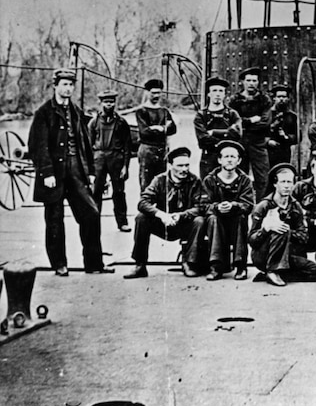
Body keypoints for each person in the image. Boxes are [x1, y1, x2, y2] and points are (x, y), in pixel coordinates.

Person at [28, 69, 112, 276]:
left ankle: (94, 264)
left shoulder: (75, 111)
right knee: (55, 219)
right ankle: (59, 264)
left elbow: (85, 143)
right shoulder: (44, 113)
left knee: (91, 213)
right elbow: (38, 146)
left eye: (71, 85)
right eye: (64, 84)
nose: (68, 88)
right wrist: (47, 173)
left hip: (76, 170)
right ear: (55, 86)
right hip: (54, 173)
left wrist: (90, 171)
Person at [123, 147, 206, 279]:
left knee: (199, 221)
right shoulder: (159, 180)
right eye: (180, 165)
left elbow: (201, 206)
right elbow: (143, 202)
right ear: (170, 165)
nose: (184, 169)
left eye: (187, 165)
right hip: (163, 223)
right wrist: (161, 215)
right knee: (141, 218)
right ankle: (140, 264)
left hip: (184, 224)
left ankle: (189, 263)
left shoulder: (195, 181)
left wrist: (181, 215)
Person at [248, 163, 316, 286]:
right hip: (264, 255)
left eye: (289, 182)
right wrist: (266, 229)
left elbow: (303, 237)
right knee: (279, 228)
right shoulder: (263, 206)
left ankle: (277, 274)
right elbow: (252, 240)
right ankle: (272, 270)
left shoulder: (295, 206)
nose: (287, 186)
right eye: (283, 182)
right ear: (275, 184)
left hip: (287, 254)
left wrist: (289, 232)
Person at [201, 140, 255, 281]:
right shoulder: (209, 180)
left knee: (241, 218)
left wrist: (234, 206)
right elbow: (203, 205)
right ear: (219, 160)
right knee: (213, 219)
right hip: (216, 222)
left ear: (239, 160)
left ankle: (240, 266)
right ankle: (216, 267)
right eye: (226, 156)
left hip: (235, 220)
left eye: (233, 157)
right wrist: (216, 207)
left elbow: (248, 205)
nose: (229, 160)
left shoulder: (245, 181)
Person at [88, 89, 133, 232]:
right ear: (100, 103)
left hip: (116, 159)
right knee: (96, 192)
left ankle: (122, 222)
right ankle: (94, 221)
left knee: (119, 192)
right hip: (99, 159)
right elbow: (89, 146)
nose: (109, 105)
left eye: (111, 102)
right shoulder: (93, 123)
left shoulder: (121, 122)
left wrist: (126, 166)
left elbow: (127, 146)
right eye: (106, 102)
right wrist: (90, 167)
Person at [228, 67, 272, 201]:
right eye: (248, 80)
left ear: (258, 82)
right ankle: (240, 203)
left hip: (258, 142)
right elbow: (232, 122)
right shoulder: (234, 100)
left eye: (254, 80)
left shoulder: (264, 100)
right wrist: (251, 120)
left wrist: (243, 123)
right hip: (239, 142)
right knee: (239, 174)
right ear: (243, 82)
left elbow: (265, 122)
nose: (251, 83)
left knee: (262, 176)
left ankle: (261, 205)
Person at [194, 76, 242, 179]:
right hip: (208, 159)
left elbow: (237, 134)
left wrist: (214, 132)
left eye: (221, 91)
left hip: (229, 160)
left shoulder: (232, 114)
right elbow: (203, 139)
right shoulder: (201, 115)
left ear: (224, 94)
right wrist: (227, 134)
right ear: (209, 94)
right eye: (214, 90)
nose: (217, 94)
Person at [135, 78, 177, 191]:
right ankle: (145, 208)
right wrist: (164, 128)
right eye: (153, 92)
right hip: (147, 151)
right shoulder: (142, 111)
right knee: (146, 183)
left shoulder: (164, 111)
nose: (156, 95)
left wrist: (159, 128)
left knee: (162, 184)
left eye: (159, 92)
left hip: (162, 150)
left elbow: (173, 129)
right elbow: (144, 132)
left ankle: (160, 208)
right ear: (147, 92)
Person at [266, 84, 298, 169]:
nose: (281, 99)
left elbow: (297, 136)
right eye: (279, 96)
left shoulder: (292, 116)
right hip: (268, 152)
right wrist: (268, 141)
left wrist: (286, 137)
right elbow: (258, 133)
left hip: (284, 151)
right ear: (274, 98)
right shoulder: (266, 114)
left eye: (284, 97)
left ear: (288, 99)